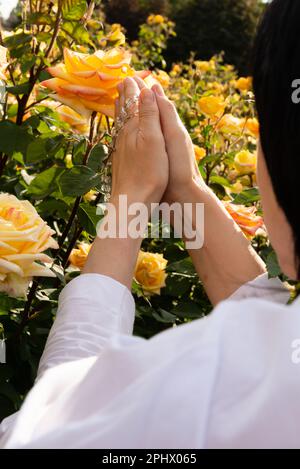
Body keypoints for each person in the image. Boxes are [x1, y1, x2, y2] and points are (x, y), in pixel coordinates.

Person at [0, 0, 299, 449]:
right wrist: (185, 187)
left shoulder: (207, 401)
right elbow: (270, 328)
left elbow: (49, 430)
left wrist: (129, 199)